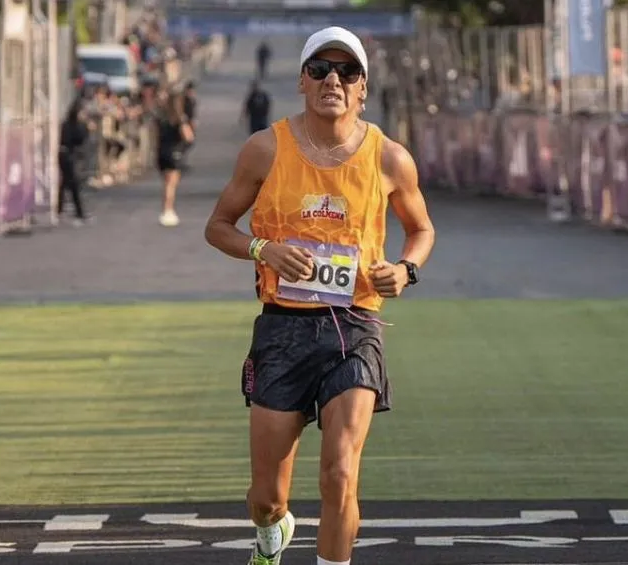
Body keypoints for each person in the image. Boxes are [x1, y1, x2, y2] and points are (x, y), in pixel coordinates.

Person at [203, 26, 435, 565]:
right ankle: (272, 531)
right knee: (266, 498)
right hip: (282, 328)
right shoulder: (264, 149)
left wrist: (405, 270)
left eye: (347, 71)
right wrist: (264, 249)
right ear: (303, 82)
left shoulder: (390, 159)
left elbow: (422, 231)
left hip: (355, 327)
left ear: (362, 90)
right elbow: (218, 227)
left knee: (340, 473)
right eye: (321, 70)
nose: (334, 79)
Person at [155, 87, 194, 227]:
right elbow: (189, 137)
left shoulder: (162, 116)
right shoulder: (179, 118)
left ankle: (166, 209)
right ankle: (168, 210)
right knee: (171, 185)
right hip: (174, 153)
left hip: (161, 152)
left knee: (166, 183)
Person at [58, 97, 91, 225]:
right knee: (73, 184)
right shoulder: (70, 125)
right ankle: (78, 212)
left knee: (66, 184)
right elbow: (78, 138)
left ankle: (61, 209)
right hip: (66, 155)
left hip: (68, 155)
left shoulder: (73, 124)